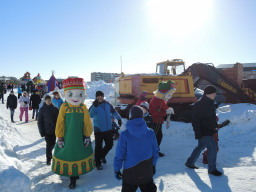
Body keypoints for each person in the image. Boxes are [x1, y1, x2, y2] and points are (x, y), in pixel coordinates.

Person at [52, 77, 94, 189]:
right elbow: (60, 122)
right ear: (65, 94)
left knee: (79, 154)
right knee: (70, 155)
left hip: (80, 136)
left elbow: (87, 122)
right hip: (68, 137)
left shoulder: (83, 107)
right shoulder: (64, 107)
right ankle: (72, 179)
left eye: (80, 94)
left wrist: (87, 135)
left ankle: (76, 174)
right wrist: (60, 137)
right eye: (71, 94)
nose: (75, 97)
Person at [114, 106, 159, 192]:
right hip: (147, 172)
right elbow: (155, 152)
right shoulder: (150, 132)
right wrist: (153, 165)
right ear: (142, 116)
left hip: (130, 173)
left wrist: (117, 169)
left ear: (130, 117)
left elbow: (119, 155)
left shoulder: (125, 134)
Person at [185, 85, 222, 176]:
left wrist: (215, 125)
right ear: (209, 94)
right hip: (204, 131)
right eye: (214, 93)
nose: (215, 94)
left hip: (208, 130)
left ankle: (189, 162)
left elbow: (209, 117)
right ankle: (212, 169)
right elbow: (195, 120)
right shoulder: (201, 104)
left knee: (201, 146)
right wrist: (198, 133)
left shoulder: (209, 102)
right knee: (212, 147)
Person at [89, 90, 122, 170]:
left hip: (108, 129)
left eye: (101, 96)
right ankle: (98, 163)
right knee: (98, 147)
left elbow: (114, 112)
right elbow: (90, 115)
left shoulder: (107, 104)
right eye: (98, 96)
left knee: (110, 144)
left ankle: (102, 155)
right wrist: (94, 106)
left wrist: (119, 118)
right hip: (99, 129)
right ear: (96, 97)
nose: (100, 98)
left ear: (103, 97)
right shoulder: (94, 105)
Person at [149, 80, 176, 157]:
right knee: (157, 136)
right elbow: (153, 112)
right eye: (169, 95)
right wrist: (165, 112)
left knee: (158, 136)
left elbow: (164, 107)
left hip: (158, 121)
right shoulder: (156, 100)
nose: (170, 97)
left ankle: (155, 150)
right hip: (155, 121)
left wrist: (168, 109)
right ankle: (153, 152)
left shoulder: (161, 99)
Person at [38, 95, 59, 165]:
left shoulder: (55, 109)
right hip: (46, 130)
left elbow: (59, 120)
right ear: (45, 100)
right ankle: (48, 159)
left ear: (51, 100)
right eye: (47, 100)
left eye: (49, 100)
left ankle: (50, 155)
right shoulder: (42, 109)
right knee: (48, 144)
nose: (48, 101)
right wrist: (41, 131)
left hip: (54, 130)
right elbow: (39, 121)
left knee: (53, 144)